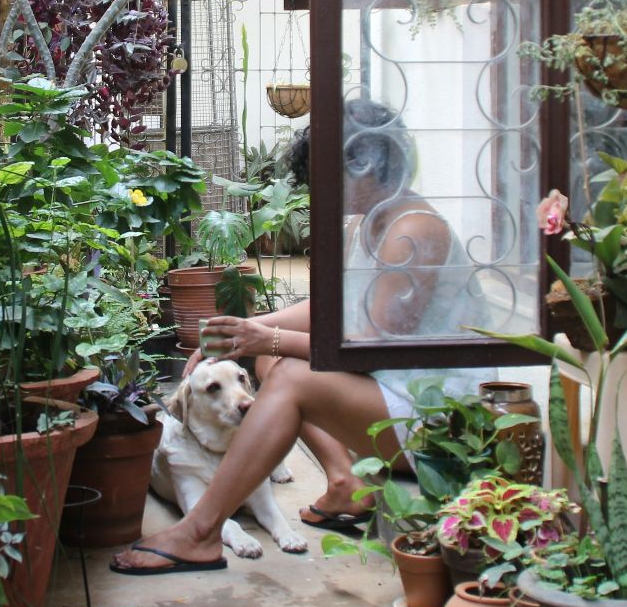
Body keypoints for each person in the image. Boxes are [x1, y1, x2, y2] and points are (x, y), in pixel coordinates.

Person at [112, 98, 497, 574]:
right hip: (402, 394)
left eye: (326, 172)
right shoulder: (371, 221)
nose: (319, 187)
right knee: (274, 363)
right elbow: (331, 310)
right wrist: (240, 335)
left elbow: (364, 346)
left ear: (366, 163)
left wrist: (264, 340)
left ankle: (201, 531)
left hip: (442, 418)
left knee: (290, 374)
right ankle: (343, 483)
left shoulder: (413, 232)